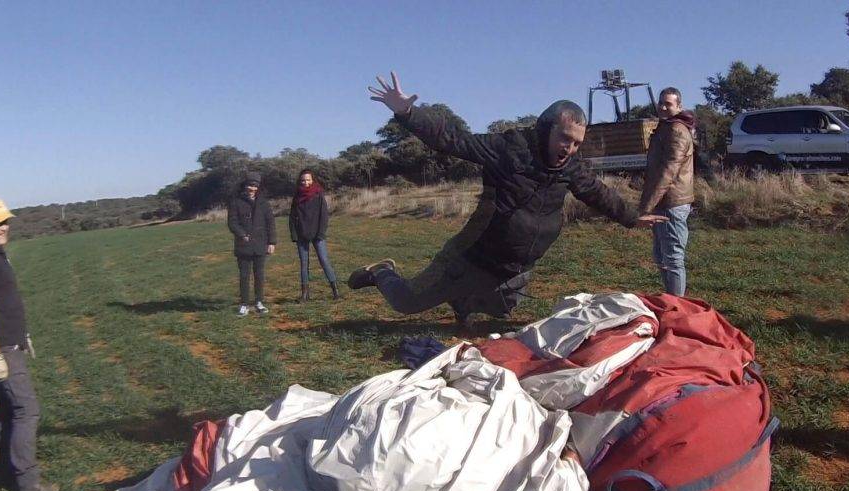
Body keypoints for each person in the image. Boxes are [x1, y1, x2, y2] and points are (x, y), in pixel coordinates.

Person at [349, 72, 665, 324]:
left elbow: (598, 193)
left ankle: (463, 299)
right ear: (546, 130)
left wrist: (631, 216)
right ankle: (382, 271)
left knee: (501, 314)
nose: (569, 148)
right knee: (406, 302)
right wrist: (408, 112)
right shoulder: (509, 149)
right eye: (564, 139)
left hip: (513, 267)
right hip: (471, 258)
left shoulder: (571, 168)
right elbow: (453, 140)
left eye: (576, 143)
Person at [0, 197, 58, 491]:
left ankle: (5, 470)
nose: (2, 227)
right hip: (1, 348)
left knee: (7, 408)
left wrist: (21, 336)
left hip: (8, 343)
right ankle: (27, 482)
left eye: (5, 221)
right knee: (26, 410)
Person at [640, 87, 696, 296]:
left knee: (672, 258)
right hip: (662, 203)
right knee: (661, 257)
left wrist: (647, 206)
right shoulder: (665, 127)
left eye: (668, 104)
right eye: (661, 103)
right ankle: (671, 300)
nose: (663, 107)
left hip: (671, 203)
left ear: (679, 106)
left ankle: (677, 306)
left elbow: (668, 171)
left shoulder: (676, 131)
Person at [227, 171, 277, 316]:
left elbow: (270, 223)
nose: (252, 189)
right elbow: (232, 222)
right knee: (244, 275)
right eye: (250, 185)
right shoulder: (235, 202)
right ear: (244, 185)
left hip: (261, 245)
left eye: (255, 186)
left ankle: (259, 302)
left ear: (258, 187)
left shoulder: (264, 203)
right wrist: (242, 234)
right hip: (243, 246)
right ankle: (244, 304)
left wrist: (272, 242)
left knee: (259, 275)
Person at [289, 168, 340, 301]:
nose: (305, 182)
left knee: (324, 260)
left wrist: (321, 233)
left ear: (313, 180)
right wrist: (294, 235)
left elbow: (324, 216)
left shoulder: (318, 194)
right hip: (302, 235)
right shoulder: (297, 196)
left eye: (308, 180)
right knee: (304, 264)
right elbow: (292, 217)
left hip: (318, 235)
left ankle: (335, 290)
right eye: (303, 180)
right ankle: (305, 294)